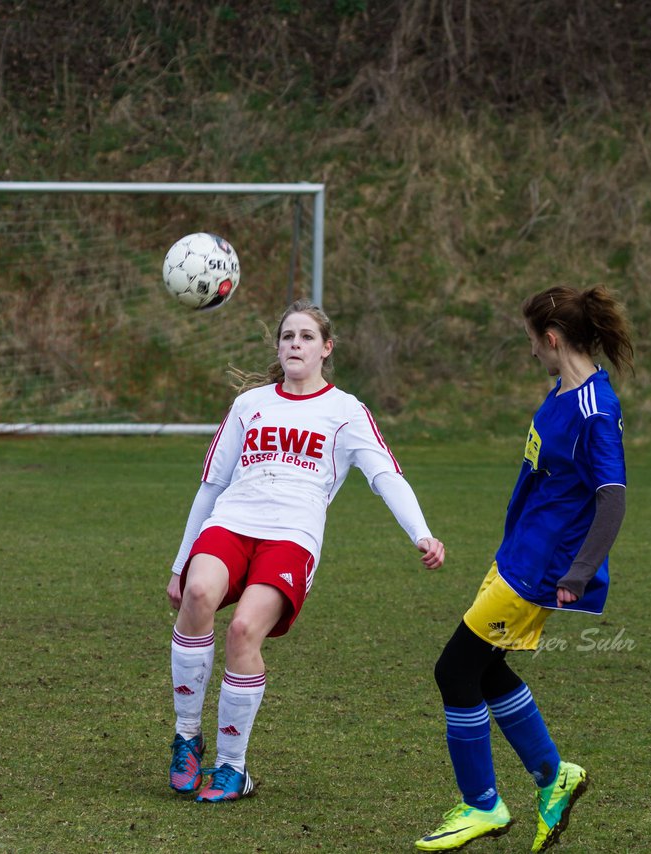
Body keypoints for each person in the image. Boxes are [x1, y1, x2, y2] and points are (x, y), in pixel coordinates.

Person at [164, 299, 446, 802]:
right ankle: (187, 738)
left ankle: (232, 768)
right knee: (197, 595)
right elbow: (211, 484)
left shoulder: (346, 411)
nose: (295, 343)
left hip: (292, 536)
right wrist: (180, 563)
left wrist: (421, 533)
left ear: (326, 348)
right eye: (288, 336)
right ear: (279, 346)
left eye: (307, 337)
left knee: (245, 631)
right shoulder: (250, 405)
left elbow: (385, 475)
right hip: (231, 521)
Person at [417, 285, 633, 853]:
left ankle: (482, 804)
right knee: (485, 673)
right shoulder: (562, 390)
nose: (531, 350)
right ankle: (553, 776)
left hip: (541, 568)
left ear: (553, 338)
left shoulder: (595, 409)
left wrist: (578, 573)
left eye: (533, 341)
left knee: (455, 671)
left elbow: (612, 498)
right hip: (517, 553)